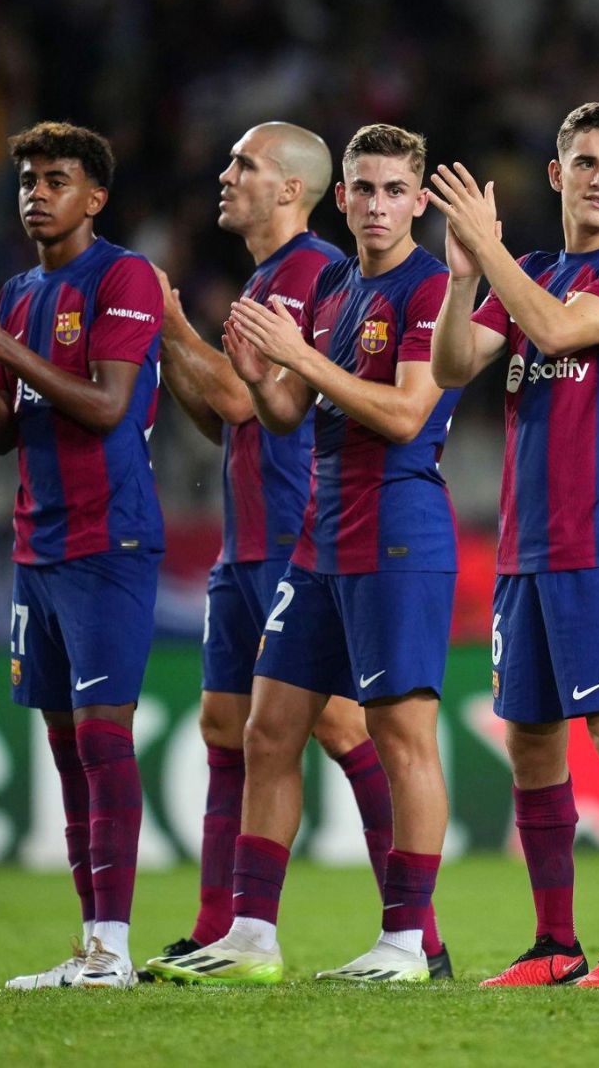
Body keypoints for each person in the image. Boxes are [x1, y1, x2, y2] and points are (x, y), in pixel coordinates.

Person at [142, 123, 449, 979]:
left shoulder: (419, 286)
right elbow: (273, 412)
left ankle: (412, 940)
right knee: (264, 730)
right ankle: (247, 933)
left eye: (393, 190)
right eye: (365, 188)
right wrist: (256, 364)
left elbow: (401, 414)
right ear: (341, 195)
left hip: (380, 528)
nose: (376, 204)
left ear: (417, 202)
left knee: (389, 732)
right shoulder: (334, 286)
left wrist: (286, 358)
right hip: (312, 536)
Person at [428, 102, 599, 987]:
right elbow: (454, 367)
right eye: (584, 162)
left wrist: (489, 253)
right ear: (557, 174)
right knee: (531, 742)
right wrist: (463, 277)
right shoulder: (525, 269)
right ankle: (553, 945)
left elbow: (562, 330)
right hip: (521, 551)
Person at [0, 121, 162, 990]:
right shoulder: (18, 292)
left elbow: (106, 406)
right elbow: (3, 435)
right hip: (38, 543)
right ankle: (90, 945)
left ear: (94, 197)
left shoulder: (123, 277)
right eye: (27, 179)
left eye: (56, 179)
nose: (36, 193)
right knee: (65, 751)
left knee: (103, 740)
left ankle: (116, 949)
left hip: (109, 540)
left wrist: (1, 348)